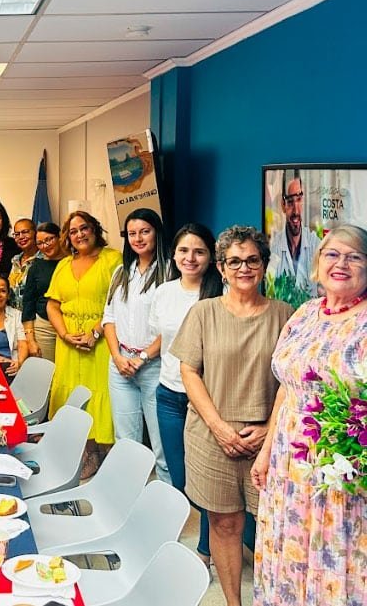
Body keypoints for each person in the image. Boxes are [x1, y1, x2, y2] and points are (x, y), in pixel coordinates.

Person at [170, 225, 293, 606]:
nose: (244, 268)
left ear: (264, 265)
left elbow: (292, 381)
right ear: (221, 268)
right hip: (212, 437)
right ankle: (232, 602)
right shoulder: (203, 313)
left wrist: (268, 429)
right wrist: (221, 428)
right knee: (224, 524)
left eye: (252, 260)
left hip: (267, 442)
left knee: (272, 527)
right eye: (234, 261)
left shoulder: (285, 315)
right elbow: (189, 372)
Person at [252, 224, 367, 606]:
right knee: (289, 555)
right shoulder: (304, 314)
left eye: (354, 256)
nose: (341, 263)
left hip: (341, 474)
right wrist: (266, 451)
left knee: (334, 557)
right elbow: (287, 386)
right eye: (332, 254)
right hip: (288, 467)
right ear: (318, 263)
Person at [149, 223, 224, 569]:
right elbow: (163, 342)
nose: (190, 258)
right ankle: (176, 538)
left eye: (199, 251)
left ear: (211, 257)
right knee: (180, 479)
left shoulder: (220, 295)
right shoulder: (163, 292)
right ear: (173, 254)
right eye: (183, 250)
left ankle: (206, 552)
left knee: (208, 483)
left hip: (208, 401)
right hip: (168, 396)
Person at [46, 211, 122, 478]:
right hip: (68, 344)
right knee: (73, 396)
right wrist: (65, 334)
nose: (79, 234)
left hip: (100, 342)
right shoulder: (63, 265)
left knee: (100, 396)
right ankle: (86, 451)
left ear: (95, 229)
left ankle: (106, 455)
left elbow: (118, 303)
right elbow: (52, 304)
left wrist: (96, 332)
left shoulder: (113, 260)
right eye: (74, 231)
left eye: (84, 228)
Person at [102, 208, 170, 482]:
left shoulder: (170, 272)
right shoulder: (122, 272)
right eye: (132, 233)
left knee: (161, 444)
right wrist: (118, 358)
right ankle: (127, 497)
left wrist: (143, 357)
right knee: (125, 440)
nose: (138, 238)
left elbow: (173, 326)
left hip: (154, 366)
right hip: (120, 365)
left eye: (145, 231)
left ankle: (167, 502)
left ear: (156, 233)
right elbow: (109, 319)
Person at [268, 169, 319, 301]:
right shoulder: (273, 248)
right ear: (283, 205)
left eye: (299, 200)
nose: (296, 211)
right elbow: (269, 289)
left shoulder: (316, 244)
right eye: (290, 202)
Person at [22, 223, 64, 361]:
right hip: (44, 327)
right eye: (40, 243)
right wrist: (31, 340)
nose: (45, 246)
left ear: (60, 237)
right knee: (47, 373)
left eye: (49, 239)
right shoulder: (36, 266)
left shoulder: (72, 262)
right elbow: (28, 303)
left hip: (70, 325)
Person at [8, 218, 41, 311]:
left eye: (25, 232)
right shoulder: (15, 261)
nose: (21, 237)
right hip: (14, 318)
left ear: (35, 233)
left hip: (35, 318)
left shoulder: (43, 260)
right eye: (17, 234)